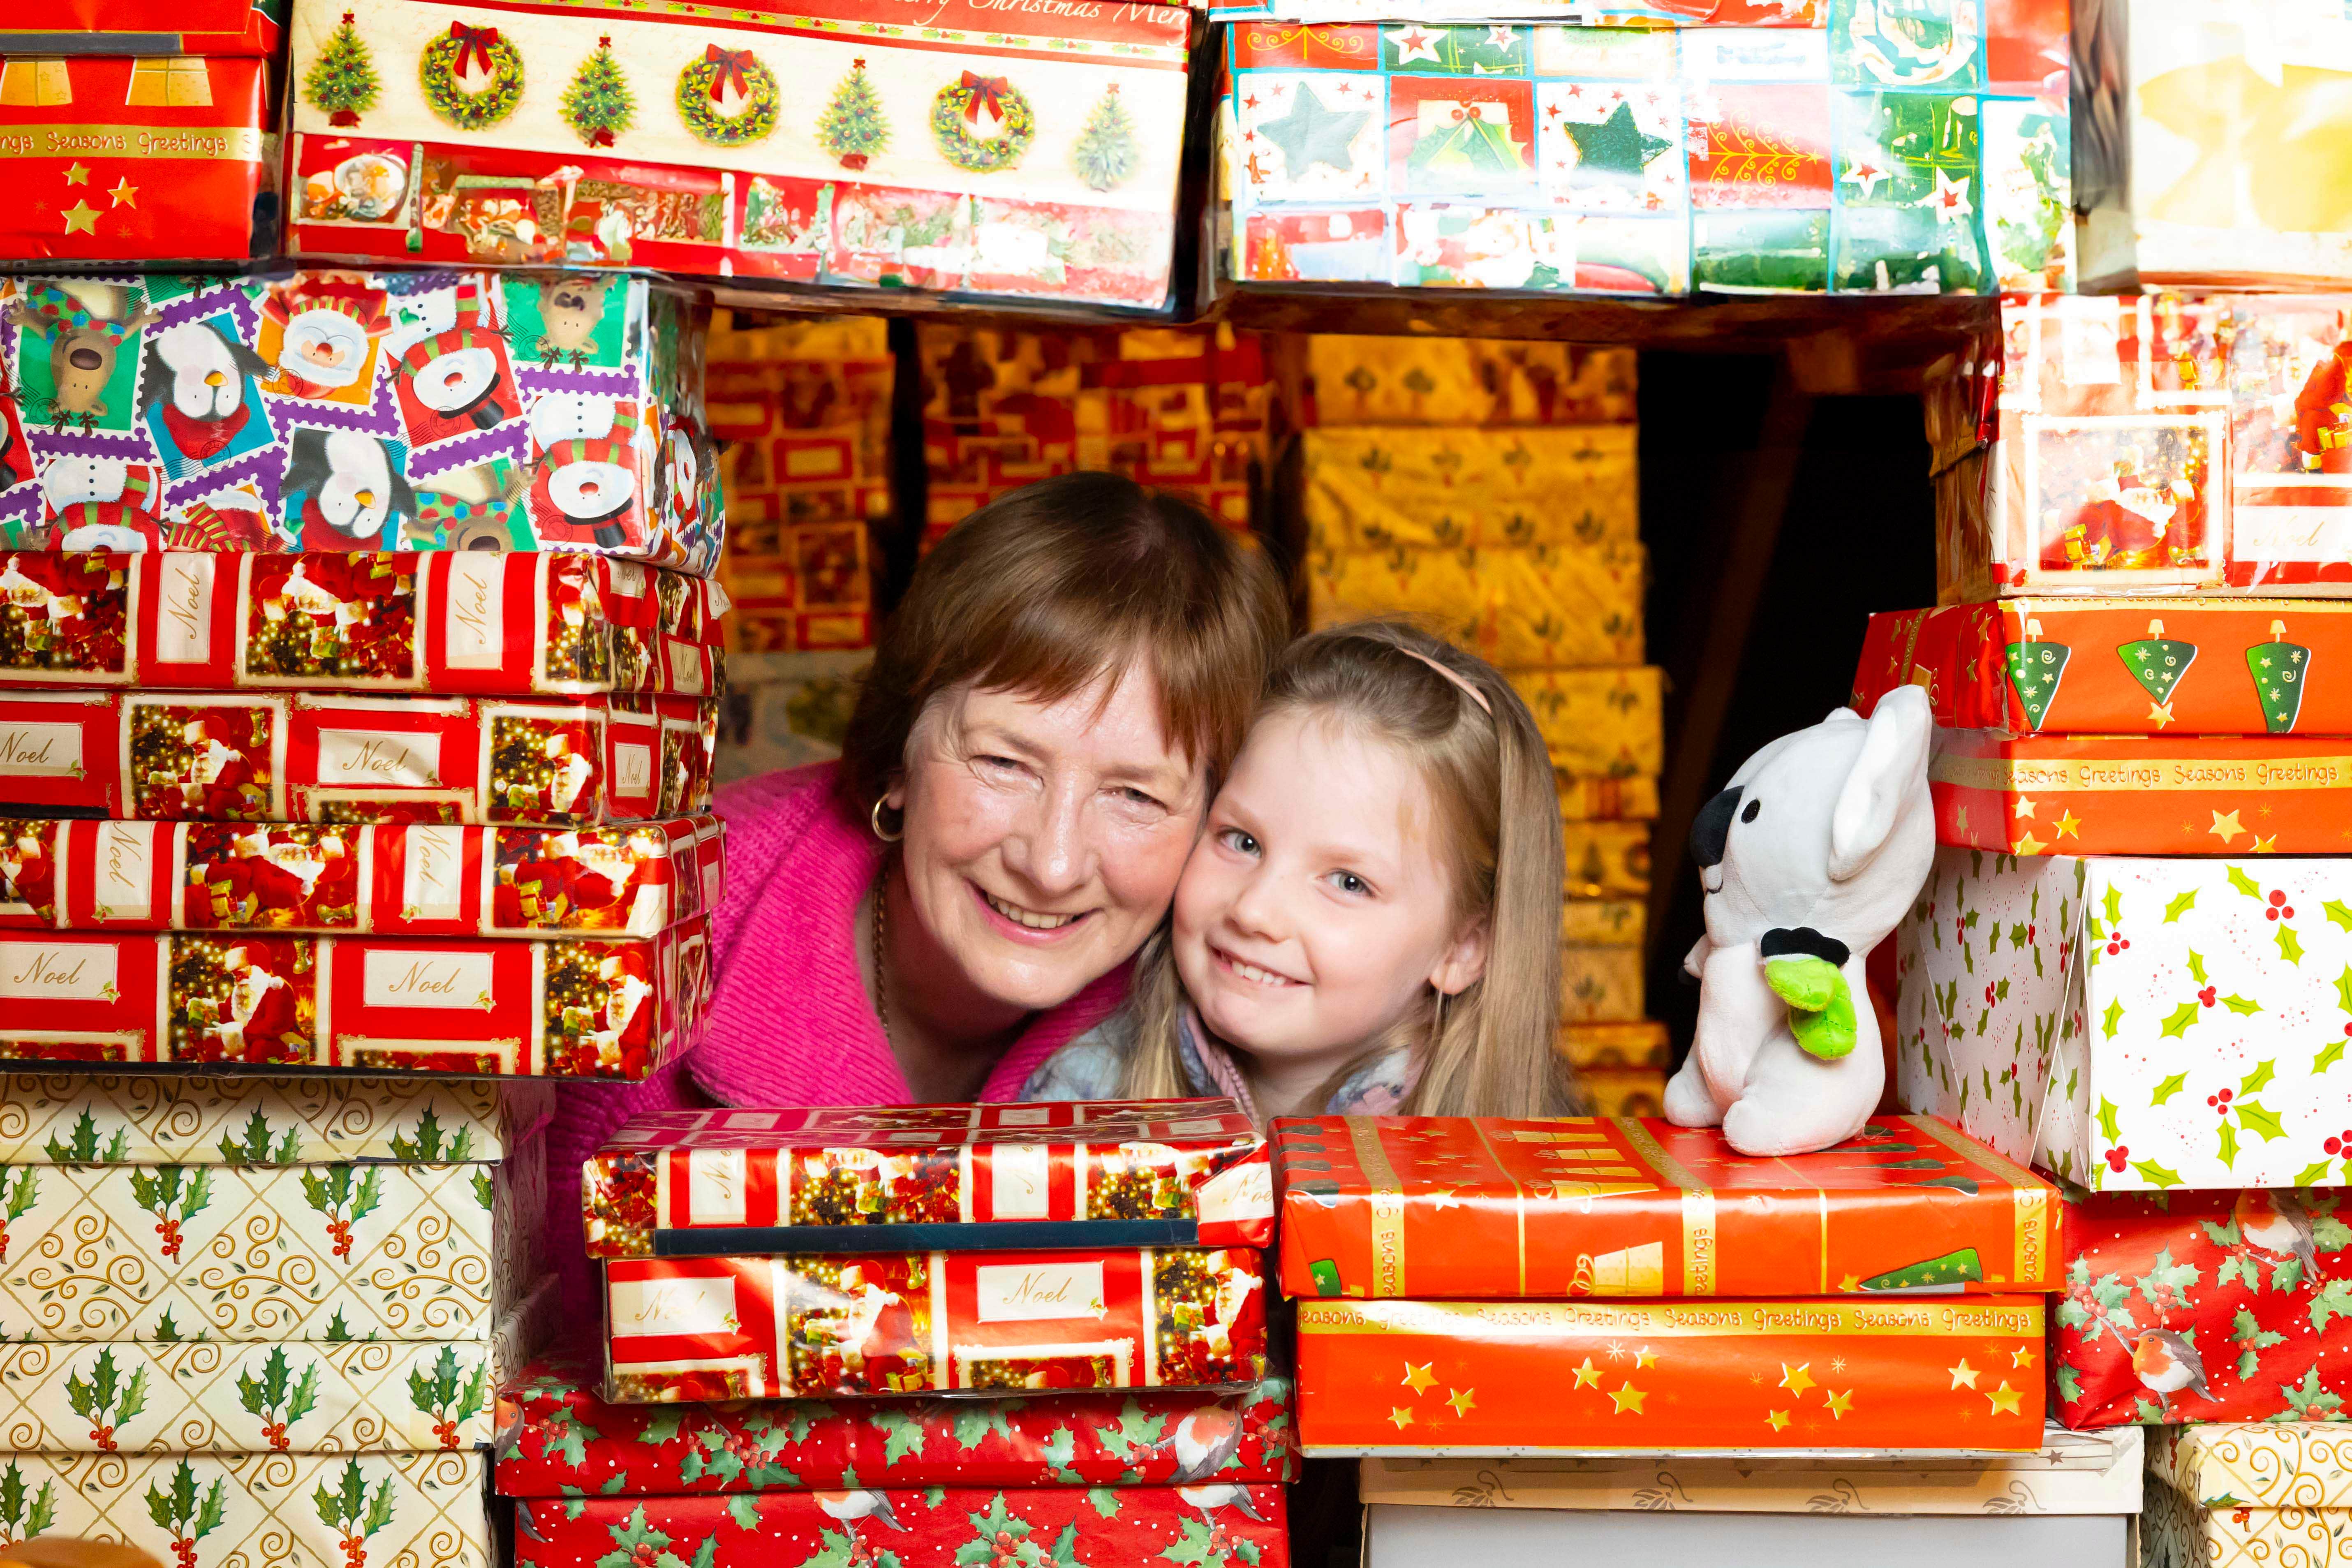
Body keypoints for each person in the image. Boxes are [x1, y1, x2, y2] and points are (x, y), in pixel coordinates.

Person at [539, 472, 1288, 1297]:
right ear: (898, 754)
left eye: (1136, 795)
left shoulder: (1251, 986)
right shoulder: (653, 934)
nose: (1052, 862)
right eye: (1004, 762)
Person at [1027, 620, 1577, 1124]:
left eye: (1347, 881)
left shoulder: (1540, 1181)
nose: (1253, 910)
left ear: (1463, 947)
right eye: (1242, 841)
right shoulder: (1077, 1104)